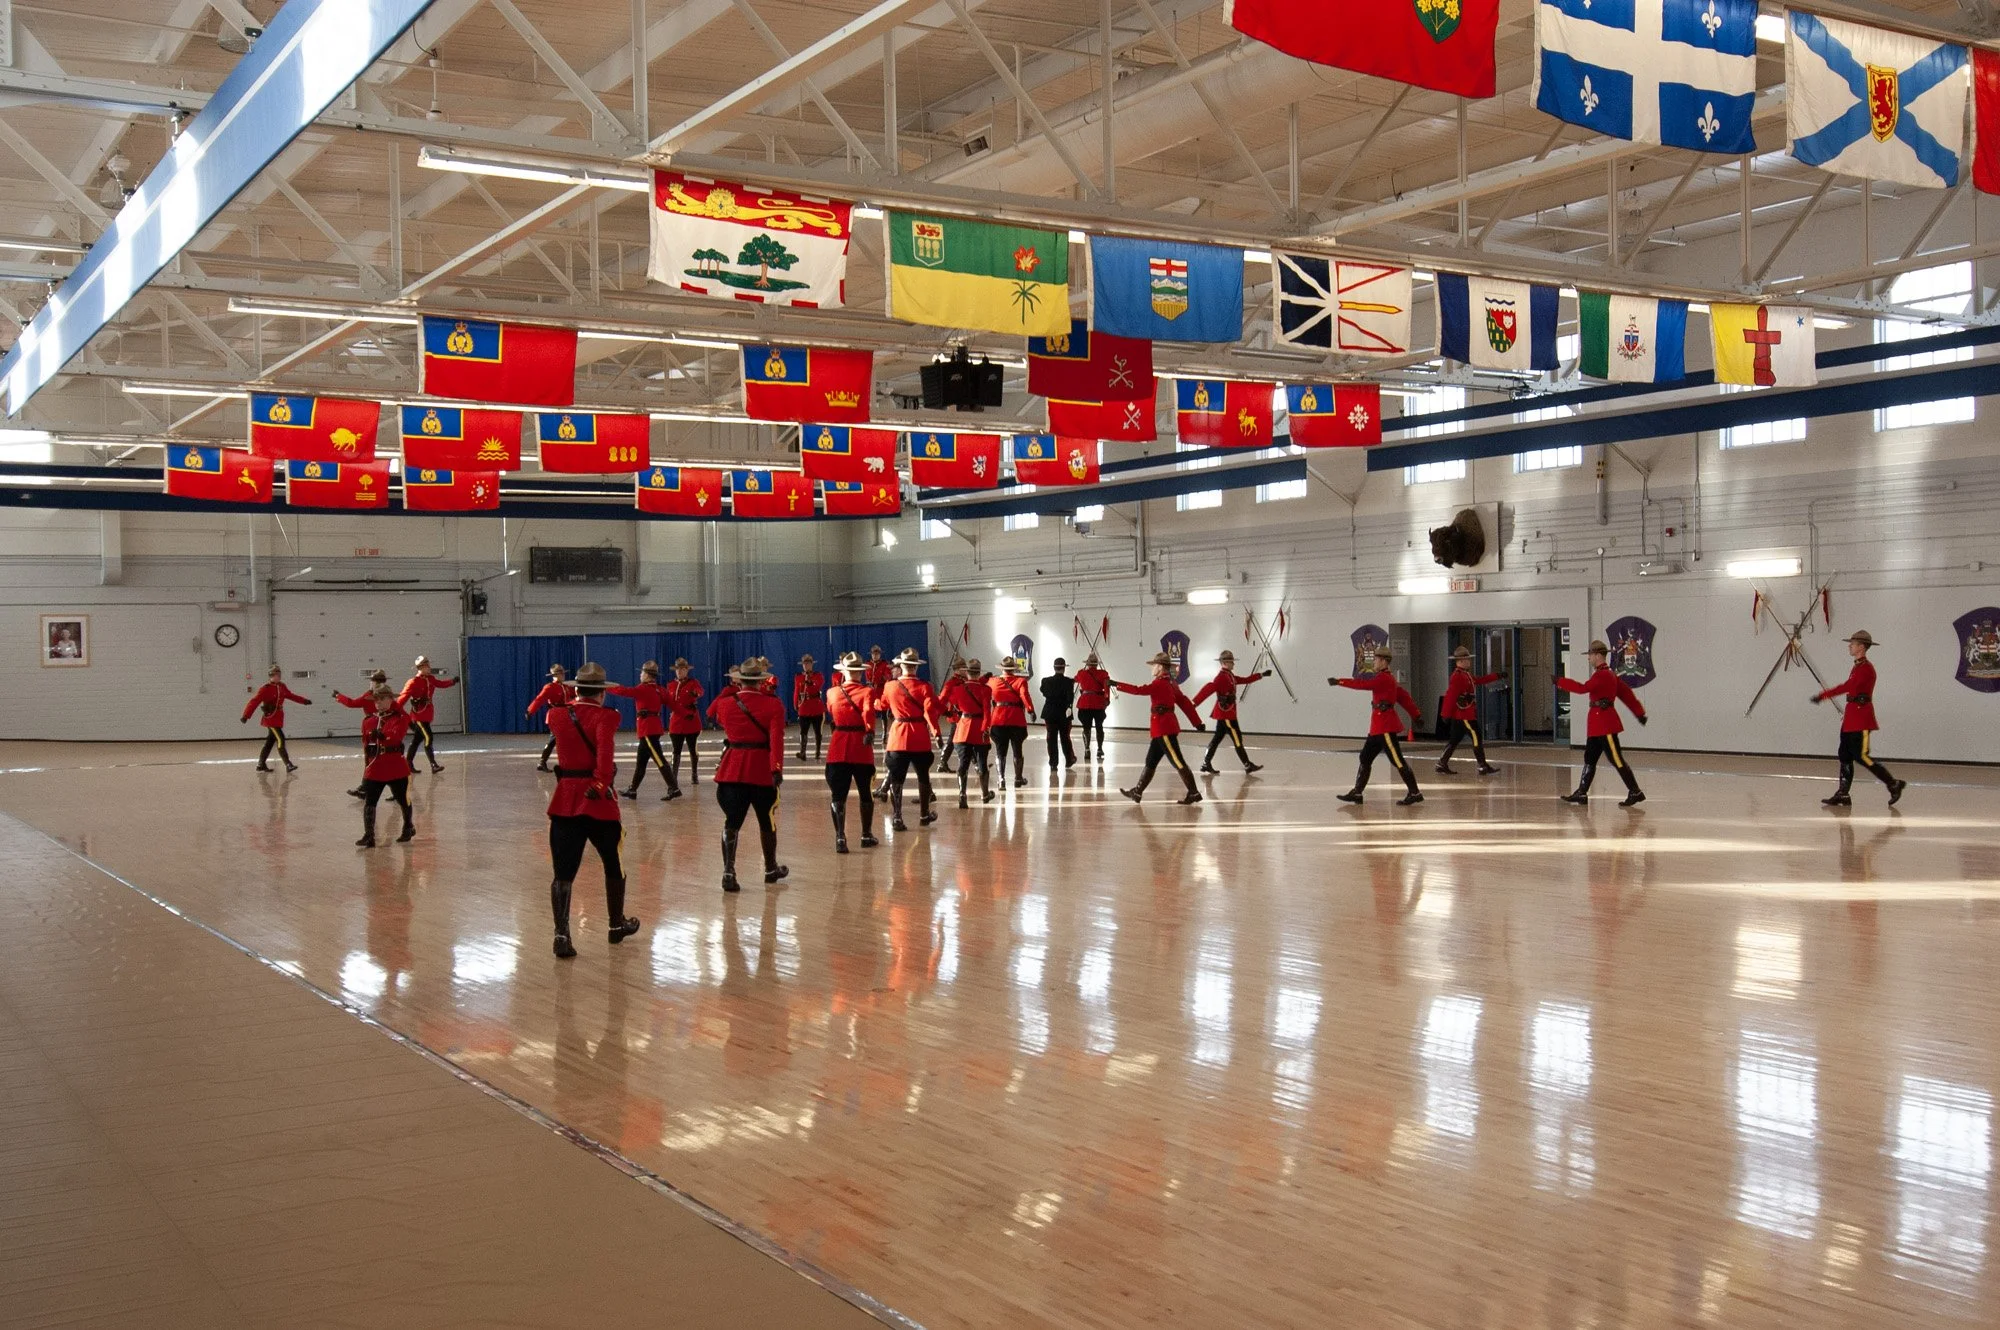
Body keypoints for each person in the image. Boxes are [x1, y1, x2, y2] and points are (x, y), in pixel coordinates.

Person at [545, 663, 640, 958]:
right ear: (602, 693)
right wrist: (600, 784)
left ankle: (561, 935)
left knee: (563, 873)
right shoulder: (606, 717)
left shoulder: (556, 715)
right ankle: (615, 925)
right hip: (597, 801)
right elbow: (605, 758)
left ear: (575, 690)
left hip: (565, 799)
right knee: (614, 863)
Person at [709, 659, 789, 892]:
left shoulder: (725, 704)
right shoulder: (773, 705)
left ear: (740, 680)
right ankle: (770, 869)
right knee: (766, 820)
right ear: (760, 682)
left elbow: (715, 716)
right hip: (761, 769)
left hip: (732, 769)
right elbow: (776, 740)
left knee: (731, 822)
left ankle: (728, 872)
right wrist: (776, 768)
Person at [1813, 629, 1907, 808]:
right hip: (1851, 717)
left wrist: (1824, 695)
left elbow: (1848, 686)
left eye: (1853, 644)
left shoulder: (1866, 669)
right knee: (1844, 754)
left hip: (1861, 718)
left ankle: (1893, 783)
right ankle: (1843, 794)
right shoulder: (1857, 667)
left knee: (1861, 756)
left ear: (1861, 647)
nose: (1849, 646)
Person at [1556, 639, 1647, 807]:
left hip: (1605, 725)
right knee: (1590, 758)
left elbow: (1583, 688)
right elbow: (1626, 694)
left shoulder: (1602, 675)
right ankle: (1582, 792)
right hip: (1598, 725)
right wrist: (1639, 713)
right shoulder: (1609, 674)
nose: (1588, 658)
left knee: (1616, 759)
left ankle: (1635, 791)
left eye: (1590, 655)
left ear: (1598, 655)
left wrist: (1561, 682)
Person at [1331, 649, 1424, 806]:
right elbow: (1403, 697)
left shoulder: (1384, 679)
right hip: (1377, 728)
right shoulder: (1387, 679)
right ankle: (1357, 792)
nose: (1373, 662)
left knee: (1397, 760)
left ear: (1383, 661)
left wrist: (1340, 681)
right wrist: (1416, 715)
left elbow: (1362, 684)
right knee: (1365, 758)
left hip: (1385, 727)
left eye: (1376, 659)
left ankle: (1415, 792)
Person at [1114, 652, 1204, 804]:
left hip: (1164, 729)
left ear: (1161, 667)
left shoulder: (1159, 683)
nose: (1152, 668)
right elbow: (1184, 702)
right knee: (1151, 761)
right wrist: (1197, 722)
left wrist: (1117, 685)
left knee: (1177, 761)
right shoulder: (1171, 683)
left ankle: (1194, 792)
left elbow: (1138, 690)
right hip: (1162, 729)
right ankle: (1137, 792)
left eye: (1154, 665)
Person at [824, 653, 880, 852]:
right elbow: (868, 713)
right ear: (861, 672)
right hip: (860, 747)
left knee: (838, 795)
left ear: (843, 672)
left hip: (839, 746)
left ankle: (840, 837)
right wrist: (870, 730)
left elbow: (831, 711)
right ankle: (866, 835)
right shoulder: (867, 691)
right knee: (865, 793)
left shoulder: (831, 692)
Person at [880, 648, 940, 830]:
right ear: (916, 667)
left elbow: (882, 704)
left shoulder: (890, 686)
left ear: (901, 666)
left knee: (897, 779)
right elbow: (930, 713)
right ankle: (924, 815)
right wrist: (936, 732)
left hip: (898, 736)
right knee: (923, 776)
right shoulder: (925, 687)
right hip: (919, 736)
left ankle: (897, 817)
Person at [354, 687, 416, 848]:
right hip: (375, 767)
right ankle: (369, 835)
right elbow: (366, 745)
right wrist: (367, 767)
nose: (378, 702)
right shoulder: (369, 720)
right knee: (370, 802)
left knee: (403, 800)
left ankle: (408, 827)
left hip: (395, 767)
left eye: (382, 699)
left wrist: (383, 735)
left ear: (391, 700)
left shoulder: (399, 717)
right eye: (376, 699)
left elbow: (397, 735)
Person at [611, 660, 681, 801]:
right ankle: (633, 790)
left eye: (642, 673)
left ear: (647, 675)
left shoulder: (643, 689)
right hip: (651, 729)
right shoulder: (659, 690)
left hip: (648, 730)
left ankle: (674, 788)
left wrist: (606, 687)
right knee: (641, 762)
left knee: (660, 760)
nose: (640, 675)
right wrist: (686, 714)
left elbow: (624, 691)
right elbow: (674, 705)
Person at [1193, 650, 1269, 774]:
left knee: (1217, 739)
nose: (1233, 663)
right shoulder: (1221, 678)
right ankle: (1247, 765)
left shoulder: (1230, 676)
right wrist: (1194, 703)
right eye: (1231, 661)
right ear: (1225, 663)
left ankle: (1206, 763)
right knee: (1237, 739)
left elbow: (1245, 680)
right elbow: (1208, 688)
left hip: (1227, 713)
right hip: (1226, 714)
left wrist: (1261, 675)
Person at [1435, 646, 1502, 776]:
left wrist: (1496, 676)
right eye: (1467, 659)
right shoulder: (1457, 676)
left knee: (1454, 740)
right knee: (1477, 736)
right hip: (1464, 715)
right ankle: (1482, 765)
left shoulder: (1466, 675)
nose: (1469, 661)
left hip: (1463, 714)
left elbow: (1479, 680)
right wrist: (1445, 714)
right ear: (1460, 661)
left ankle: (1441, 763)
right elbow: (1451, 696)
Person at [940, 657, 995, 808]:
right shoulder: (986, 690)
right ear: (979, 673)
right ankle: (985, 794)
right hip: (979, 729)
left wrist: (950, 713)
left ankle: (962, 795)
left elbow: (947, 703)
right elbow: (987, 713)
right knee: (982, 763)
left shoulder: (957, 689)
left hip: (963, 728)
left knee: (963, 764)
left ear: (967, 672)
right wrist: (986, 729)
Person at [241, 665, 311, 773]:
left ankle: (261, 764)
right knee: (280, 739)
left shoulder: (282, 686)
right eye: (276, 675)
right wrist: (246, 715)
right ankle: (288, 764)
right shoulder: (265, 688)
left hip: (278, 717)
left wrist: (304, 701)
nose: (278, 676)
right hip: (270, 718)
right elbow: (254, 701)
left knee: (270, 742)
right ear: (271, 676)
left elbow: (290, 695)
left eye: (279, 674)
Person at [335, 669, 392, 798]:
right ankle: (365, 788)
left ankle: (368, 788)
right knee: (374, 760)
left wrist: (339, 696)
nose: (373, 683)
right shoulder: (383, 695)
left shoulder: (372, 695)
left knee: (375, 760)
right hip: (374, 729)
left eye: (374, 681)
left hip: (376, 730)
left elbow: (352, 703)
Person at [397, 655, 457, 774]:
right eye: (427, 666)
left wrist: (452, 682)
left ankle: (408, 763)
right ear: (421, 667)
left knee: (417, 740)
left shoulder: (430, 679)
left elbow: (440, 684)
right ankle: (433, 765)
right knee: (428, 737)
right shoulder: (413, 682)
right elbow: (401, 699)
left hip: (427, 714)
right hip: (418, 716)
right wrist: (397, 712)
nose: (429, 667)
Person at [988, 657, 1037, 787]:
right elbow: (1024, 696)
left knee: (1000, 751)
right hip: (1016, 719)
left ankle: (1001, 779)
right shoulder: (1021, 681)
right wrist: (1031, 710)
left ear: (1002, 669)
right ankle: (1018, 778)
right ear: (1014, 669)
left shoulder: (992, 681)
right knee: (1017, 749)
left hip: (998, 719)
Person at [663, 658, 705, 787]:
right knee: (676, 750)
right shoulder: (671, 685)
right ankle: (673, 777)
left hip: (691, 720)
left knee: (693, 749)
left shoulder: (693, 683)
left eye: (682, 669)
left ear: (687, 670)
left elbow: (700, 691)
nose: (679, 672)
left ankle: (694, 774)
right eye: (677, 669)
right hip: (676, 721)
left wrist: (696, 693)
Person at [527, 665, 572, 771]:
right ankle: (543, 762)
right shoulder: (550, 687)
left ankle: (543, 762)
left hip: (566, 716)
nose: (563, 675)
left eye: (563, 672)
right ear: (555, 675)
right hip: (555, 716)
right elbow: (539, 699)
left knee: (559, 739)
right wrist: (530, 711)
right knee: (554, 739)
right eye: (561, 673)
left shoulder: (567, 686)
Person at [1039, 657, 1078, 770]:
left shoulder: (1045, 681)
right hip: (1064, 713)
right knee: (1065, 737)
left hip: (1050, 712)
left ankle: (1053, 763)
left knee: (1051, 738)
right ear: (1064, 668)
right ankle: (1069, 759)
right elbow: (1070, 698)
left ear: (1054, 668)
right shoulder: (1069, 682)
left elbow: (1043, 691)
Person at [1074, 652, 1111, 761]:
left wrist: (1084, 670)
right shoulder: (1103, 674)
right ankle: (1099, 748)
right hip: (1098, 703)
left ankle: (1087, 749)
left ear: (1088, 664)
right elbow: (1107, 687)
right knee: (1099, 727)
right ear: (1097, 664)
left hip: (1085, 703)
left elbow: (1076, 679)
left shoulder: (1082, 673)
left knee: (1086, 727)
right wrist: (1107, 699)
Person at [793, 654, 826, 761]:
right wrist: (795, 704)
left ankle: (817, 752)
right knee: (803, 732)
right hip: (804, 707)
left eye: (808, 663)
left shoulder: (818, 675)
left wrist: (811, 683)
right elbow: (797, 691)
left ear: (812, 664)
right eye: (804, 664)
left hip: (816, 706)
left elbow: (818, 686)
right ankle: (803, 752)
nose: (806, 666)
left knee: (818, 731)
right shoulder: (799, 677)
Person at [935, 659, 965, 774]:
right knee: (954, 740)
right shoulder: (951, 683)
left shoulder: (964, 680)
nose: (965, 670)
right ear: (957, 669)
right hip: (956, 716)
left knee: (958, 740)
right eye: (963, 668)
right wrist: (943, 712)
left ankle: (942, 763)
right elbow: (942, 699)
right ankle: (942, 763)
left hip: (965, 715)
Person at [864, 645, 893, 742]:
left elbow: (888, 677)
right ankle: (870, 733)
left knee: (883, 713)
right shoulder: (868, 664)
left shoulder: (884, 664)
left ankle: (884, 733)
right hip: (870, 691)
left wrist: (883, 678)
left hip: (881, 691)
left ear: (880, 655)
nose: (875, 656)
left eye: (877, 654)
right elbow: (867, 677)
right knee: (869, 713)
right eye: (873, 654)